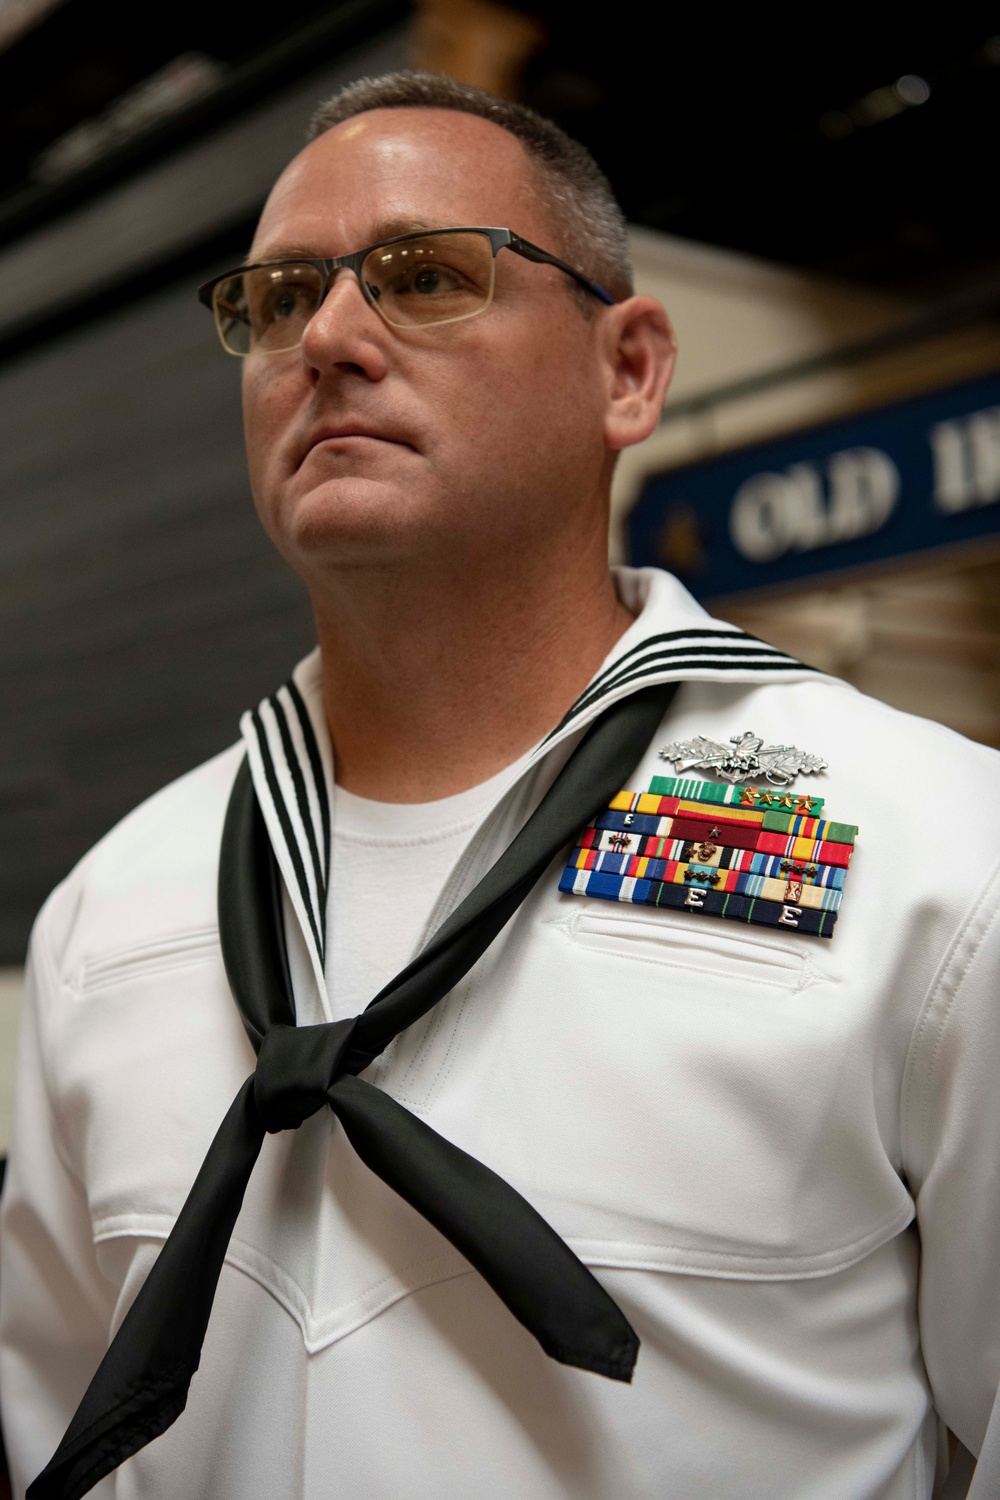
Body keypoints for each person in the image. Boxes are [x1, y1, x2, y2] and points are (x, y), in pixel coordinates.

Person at [2, 70, 999, 1500]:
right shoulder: (111, 916)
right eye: (277, 299)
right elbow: (55, 1422)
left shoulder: (932, 857)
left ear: (629, 371)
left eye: (422, 276)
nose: (329, 337)